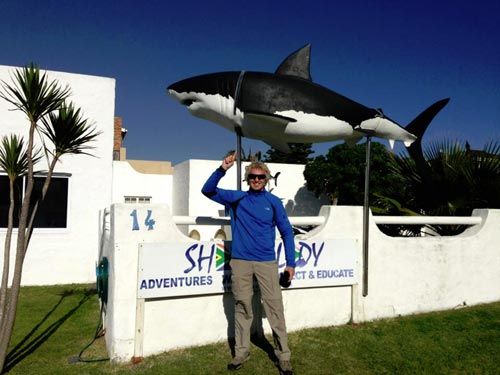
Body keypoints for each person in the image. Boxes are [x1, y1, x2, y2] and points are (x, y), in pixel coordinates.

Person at [201, 153, 296, 375]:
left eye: (261, 177)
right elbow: (207, 190)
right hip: (241, 262)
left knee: (274, 308)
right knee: (243, 307)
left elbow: (287, 233)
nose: (256, 180)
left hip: (266, 262)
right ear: (247, 179)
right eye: (252, 176)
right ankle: (241, 352)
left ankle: (284, 356)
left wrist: (291, 264)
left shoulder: (273, 202)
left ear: (267, 179)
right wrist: (222, 168)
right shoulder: (237, 198)